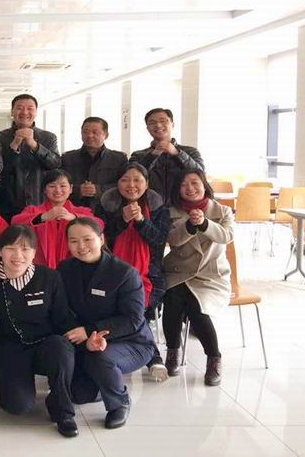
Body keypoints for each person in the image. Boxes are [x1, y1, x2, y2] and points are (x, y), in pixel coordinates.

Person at [0, 225, 78, 438]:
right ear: (0, 251)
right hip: (10, 347)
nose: (18, 255)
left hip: (47, 344)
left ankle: (63, 411)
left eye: (25, 249)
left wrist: (83, 338)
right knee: (17, 406)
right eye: (11, 248)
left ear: (34, 252)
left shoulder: (49, 277)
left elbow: (62, 319)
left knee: (61, 348)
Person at [57, 218, 155, 430]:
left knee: (100, 357)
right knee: (78, 395)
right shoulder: (65, 269)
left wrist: (90, 331)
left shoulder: (124, 273)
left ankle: (119, 402)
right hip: (87, 340)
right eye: (74, 241)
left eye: (87, 239)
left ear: (101, 239)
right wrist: (85, 338)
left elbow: (133, 319)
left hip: (131, 341)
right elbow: (62, 310)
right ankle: (105, 381)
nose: (81, 246)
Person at [95, 163, 170, 381]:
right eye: (125, 180)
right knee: (118, 304)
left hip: (149, 274)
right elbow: (101, 241)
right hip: (110, 272)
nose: (131, 185)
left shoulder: (158, 208)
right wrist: (122, 220)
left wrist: (140, 221)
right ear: (117, 183)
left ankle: (151, 357)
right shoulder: (105, 206)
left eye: (137, 180)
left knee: (134, 306)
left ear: (146, 184)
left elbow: (158, 241)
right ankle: (151, 358)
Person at [163, 169, 235, 386]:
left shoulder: (222, 211)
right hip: (179, 272)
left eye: (195, 183)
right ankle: (173, 351)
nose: (190, 188)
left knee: (197, 307)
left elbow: (227, 236)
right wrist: (189, 225)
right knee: (173, 301)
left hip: (210, 276)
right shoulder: (171, 212)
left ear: (204, 185)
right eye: (184, 184)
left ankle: (214, 359)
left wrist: (204, 224)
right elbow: (172, 240)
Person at [11, 169, 103, 268]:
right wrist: (43, 217)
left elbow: (99, 224)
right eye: (52, 186)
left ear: (71, 189)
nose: (58, 190)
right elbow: (15, 222)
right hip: (39, 269)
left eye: (63, 186)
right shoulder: (32, 210)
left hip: (75, 267)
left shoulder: (82, 211)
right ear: (45, 190)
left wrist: (74, 217)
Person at [0, 94, 61, 211]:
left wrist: (35, 145)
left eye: (30, 108)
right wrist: (14, 145)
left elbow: (55, 164)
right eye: (19, 108)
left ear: (36, 112)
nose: (24, 112)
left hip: (40, 200)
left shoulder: (48, 137)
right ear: (12, 112)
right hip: (7, 201)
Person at [129, 108, 204, 203]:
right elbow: (132, 179)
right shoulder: (138, 155)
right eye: (152, 122)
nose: (158, 125)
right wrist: (153, 155)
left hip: (182, 206)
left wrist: (177, 153)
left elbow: (201, 174)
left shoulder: (190, 151)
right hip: (151, 207)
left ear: (172, 124)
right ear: (147, 128)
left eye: (163, 121)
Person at [61, 117, 127, 210]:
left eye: (95, 132)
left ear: (106, 135)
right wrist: (78, 190)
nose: (89, 135)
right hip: (74, 209)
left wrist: (98, 190)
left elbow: (125, 185)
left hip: (108, 210)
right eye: (85, 132)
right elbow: (58, 183)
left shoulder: (119, 159)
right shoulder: (68, 158)